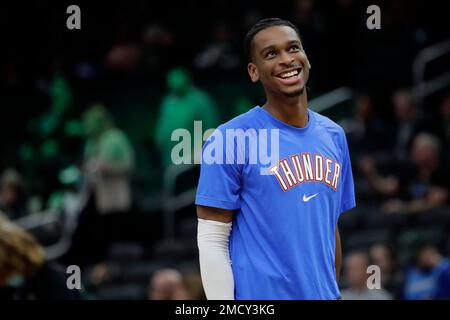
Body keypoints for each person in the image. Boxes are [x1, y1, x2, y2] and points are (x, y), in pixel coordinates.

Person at [196, 18, 356, 299]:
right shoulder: (230, 138)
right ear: (253, 72)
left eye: (293, 48)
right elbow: (212, 240)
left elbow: (330, 227)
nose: (286, 59)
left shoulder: (334, 135)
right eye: (271, 54)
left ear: (306, 58)